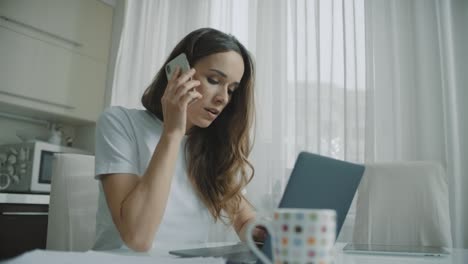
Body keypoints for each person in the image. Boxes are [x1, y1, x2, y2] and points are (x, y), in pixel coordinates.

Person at [93, 28, 265, 251]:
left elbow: (243, 220)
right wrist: (173, 133)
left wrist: (265, 230)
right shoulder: (119, 122)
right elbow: (137, 238)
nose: (223, 98)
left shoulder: (212, 147)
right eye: (214, 80)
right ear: (177, 72)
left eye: (232, 90)